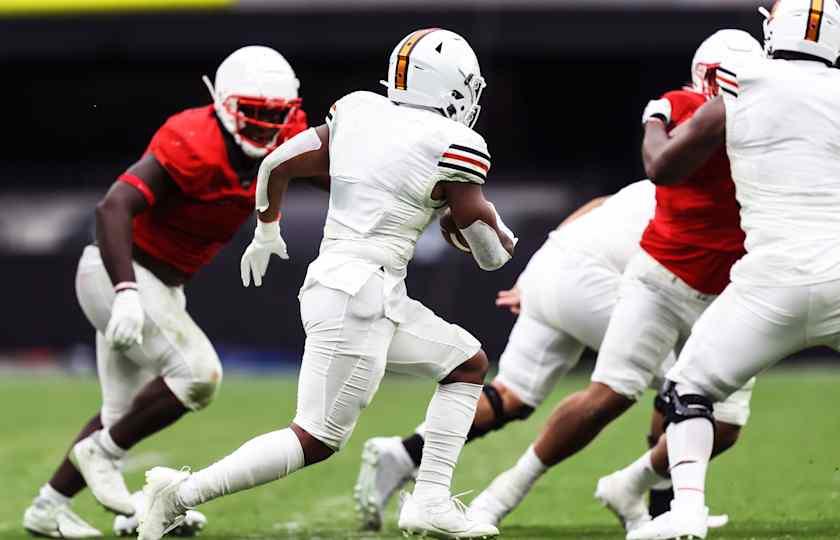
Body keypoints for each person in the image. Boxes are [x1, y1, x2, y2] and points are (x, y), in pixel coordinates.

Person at [137, 29, 514, 540]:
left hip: (349, 287)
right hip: (362, 295)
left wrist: (267, 230)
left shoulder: (360, 110)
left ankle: (429, 501)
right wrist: (491, 224)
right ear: (450, 87)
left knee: (465, 362)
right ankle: (177, 495)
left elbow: (275, 162)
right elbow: (490, 257)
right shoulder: (454, 142)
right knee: (315, 438)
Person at [465, 29, 762, 534]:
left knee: (726, 425)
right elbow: (660, 164)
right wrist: (657, 117)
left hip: (728, 292)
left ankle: (633, 485)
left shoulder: (772, 126)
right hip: (662, 278)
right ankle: (497, 497)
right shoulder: (684, 110)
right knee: (613, 393)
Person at [22, 46, 310, 538]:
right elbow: (112, 208)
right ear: (221, 104)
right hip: (118, 274)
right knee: (199, 375)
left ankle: (47, 509)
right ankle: (107, 462)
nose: (265, 129)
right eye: (253, 116)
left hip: (166, 287)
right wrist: (127, 291)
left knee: (121, 415)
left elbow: (335, 177)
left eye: (274, 117)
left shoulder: (289, 136)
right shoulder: (192, 139)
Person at [630, 2, 840, 538]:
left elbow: (665, 166)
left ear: (775, 27)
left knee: (687, 390)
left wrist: (657, 117)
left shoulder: (742, 82)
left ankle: (688, 512)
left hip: (768, 283)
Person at [354, 181, 664, 531]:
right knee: (679, 384)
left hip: (556, 262)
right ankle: (662, 510)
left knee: (510, 394)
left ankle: (404, 453)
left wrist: (538, 267)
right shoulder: (712, 187)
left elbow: (598, 203)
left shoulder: (661, 181)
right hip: (591, 278)